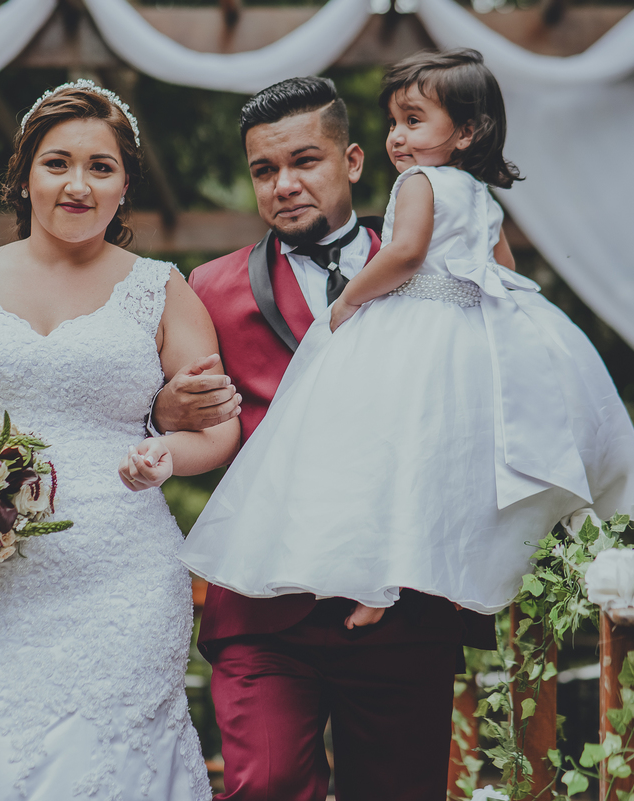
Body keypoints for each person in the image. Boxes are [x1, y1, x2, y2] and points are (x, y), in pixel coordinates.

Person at [0, 80, 238, 800]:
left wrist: (169, 455)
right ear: (23, 174)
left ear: (126, 185)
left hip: (121, 579)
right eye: (57, 162)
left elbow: (218, 423)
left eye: (101, 167)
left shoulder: (162, 290)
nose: (78, 183)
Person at [151, 74, 497, 801]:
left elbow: (475, 414)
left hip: (402, 606)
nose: (283, 184)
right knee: (265, 783)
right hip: (263, 612)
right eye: (264, 170)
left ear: (355, 162)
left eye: (304, 161)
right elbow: (159, 417)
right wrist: (167, 407)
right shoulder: (206, 289)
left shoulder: (433, 265)